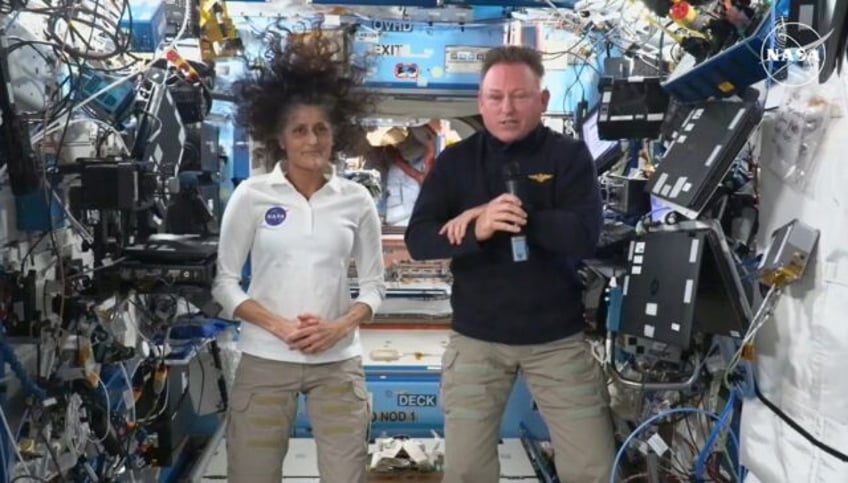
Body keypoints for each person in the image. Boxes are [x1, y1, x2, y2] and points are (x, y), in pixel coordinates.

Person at [404, 45, 615, 483]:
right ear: (481, 103)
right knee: (465, 471)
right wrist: (479, 227)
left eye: (520, 96)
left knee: (591, 467)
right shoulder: (456, 163)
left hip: (557, 339)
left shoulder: (570, 157)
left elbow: (584, 235)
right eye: (495, 97)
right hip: (477, 339)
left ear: (542, 101)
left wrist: (522, 216)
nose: (507, 108)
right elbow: (419, 240)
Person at [211, 30, 386, 483]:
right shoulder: (251, 196)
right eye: (300, 130)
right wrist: (279, 325)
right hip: (266, 358)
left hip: (338, 362)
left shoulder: (356, 200)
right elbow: (225, 283)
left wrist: (339, 326)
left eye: (322, 128)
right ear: (281, 137)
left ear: (337, 133)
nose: (313, 140)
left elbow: (373, 287)